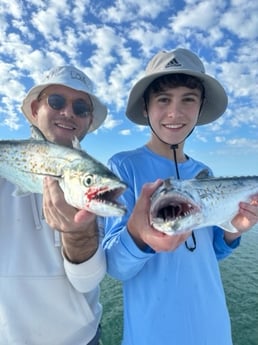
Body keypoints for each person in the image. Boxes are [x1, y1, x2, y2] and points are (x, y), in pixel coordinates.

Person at [102, 48, 258, 345]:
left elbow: (212, 253)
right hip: (151, 334)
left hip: (214, 329)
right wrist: (139, 234)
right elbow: (115, 266)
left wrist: (235, 229)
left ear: (200, 108)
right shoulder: (123, 166)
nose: (175, 112)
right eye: (163, 99)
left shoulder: (205, 172)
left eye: (188, 99)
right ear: (146, 107)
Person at [0, 65, 107, 344]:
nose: (68, 112)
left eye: (80, 107)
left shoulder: (96, 182)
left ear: (88, 120)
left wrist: (78, 233)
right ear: (35, 109)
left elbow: (86, 281)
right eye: (57, 101)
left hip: (81, 339)